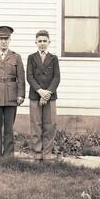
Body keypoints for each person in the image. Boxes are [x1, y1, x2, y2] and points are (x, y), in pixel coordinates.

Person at [0, 26, 25, 158]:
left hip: (11, 96)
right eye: (1, 39)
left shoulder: (16, 57)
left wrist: (20, 95)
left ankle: (8, 155)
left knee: (9, 128)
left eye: (6, 39)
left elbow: (21, 77)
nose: (3, 41)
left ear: (10, 40)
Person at [26, 30, 60, 162]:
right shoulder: (31, 57)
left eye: (44, 41)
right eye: (39, 41)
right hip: (35, 96)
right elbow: (30, 76)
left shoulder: (54, 58)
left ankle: (47, 154)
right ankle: (37, 154)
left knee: (50, 125)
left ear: (49, 42)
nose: (42, 44)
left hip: (50, 97)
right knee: (36, 125)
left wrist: (47, 93)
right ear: (36, 42)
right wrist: (40, 91)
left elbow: (57, 77)